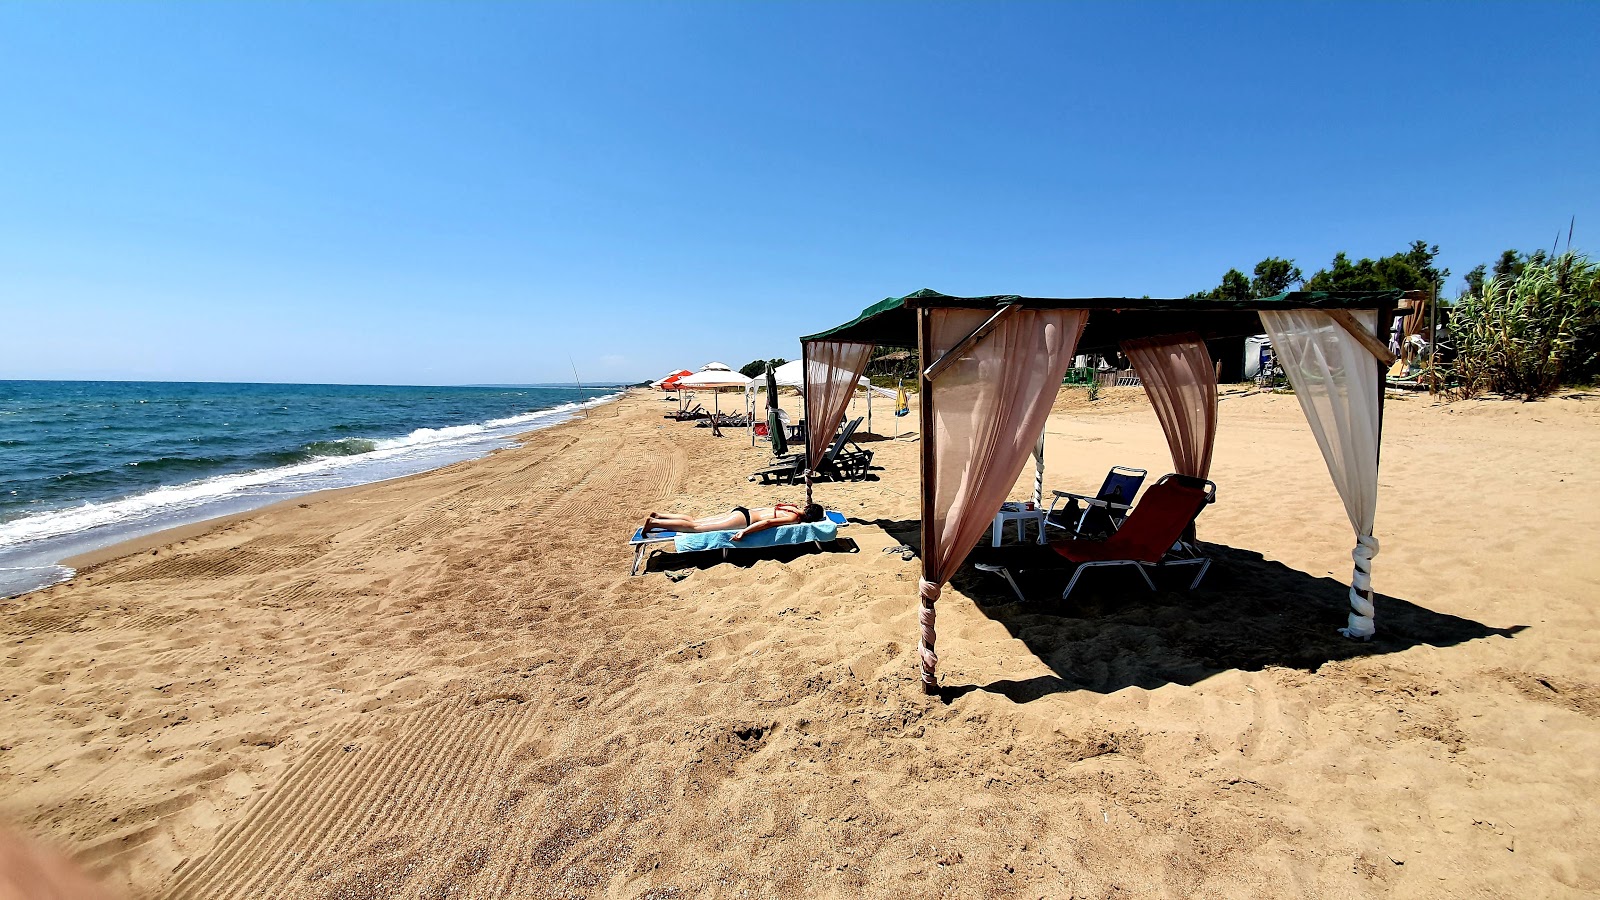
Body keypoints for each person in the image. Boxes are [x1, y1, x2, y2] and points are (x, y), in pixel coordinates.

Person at [642, 503, 825, 541]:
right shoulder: (794, 518)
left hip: (742, 511)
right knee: (696, 528)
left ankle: (660, 516)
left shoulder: (792, 506)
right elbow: (767, 523)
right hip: (743, 519)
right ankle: (653, 524)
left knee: (696, 521)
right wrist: (744, 532)